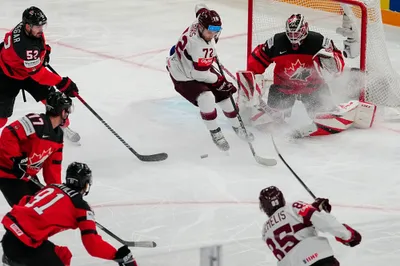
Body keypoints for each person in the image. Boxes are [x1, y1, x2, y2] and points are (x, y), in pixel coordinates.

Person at [237, 14, 376, 137]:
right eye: (290, 34)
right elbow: (256, 60)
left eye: (296, 34)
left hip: (314, 88)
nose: (293, 38)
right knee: (270, 123)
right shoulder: (276, 42)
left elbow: (337, 62)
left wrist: (332, 63)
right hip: (283, 88)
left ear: (304, 29)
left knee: (325, 117)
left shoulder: (319, 42)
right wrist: (252, 80)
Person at [1, 162, 138, 266]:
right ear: (85, 184)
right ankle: (15, 259)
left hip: (9, 237)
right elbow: (92, 245)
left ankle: (11, 258)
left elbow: (25, 201)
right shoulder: (81, 207)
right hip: (25, 247)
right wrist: (118, 255)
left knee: (62, 255)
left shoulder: (51, 187)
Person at [166, 3, 254, 151]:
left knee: (225, 96)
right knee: (207, 97)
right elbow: (198, 75)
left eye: (216, 31)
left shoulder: (199, 20)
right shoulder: (199, 46)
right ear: (200, 27)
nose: (213, 35)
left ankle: (238, 127)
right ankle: (216, 133)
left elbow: (199, 6)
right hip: (183, 74)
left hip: (193, 63)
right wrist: (218, 80)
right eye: (210, 31)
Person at [0, 6, 80, 142]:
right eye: (38, 27)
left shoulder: (29, 30)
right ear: (27, 26)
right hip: (7, 76)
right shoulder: (25, 47)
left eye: (42, 26)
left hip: (24, 69)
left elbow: (37, 44)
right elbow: (39, 75)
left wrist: (44, 52)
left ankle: (63, 127)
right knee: (2, 117)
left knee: (54, 101)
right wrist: (62, 83)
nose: (41, 29)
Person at [0, 91, 72, 207]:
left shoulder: (58, 136)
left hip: (28, 176)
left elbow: (53, 166)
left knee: (46, 207)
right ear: (63, 112)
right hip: (8, 174)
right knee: (28, 211)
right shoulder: (35, 122)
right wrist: (16, 159)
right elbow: (9, 133)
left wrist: (56, 190)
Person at [259, 186, 361, 266]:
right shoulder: (293, 207)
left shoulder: (265, 231)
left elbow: (291, 230)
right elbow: (322, 221)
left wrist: (314, 208)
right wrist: (348, 235)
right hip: (317, 258)